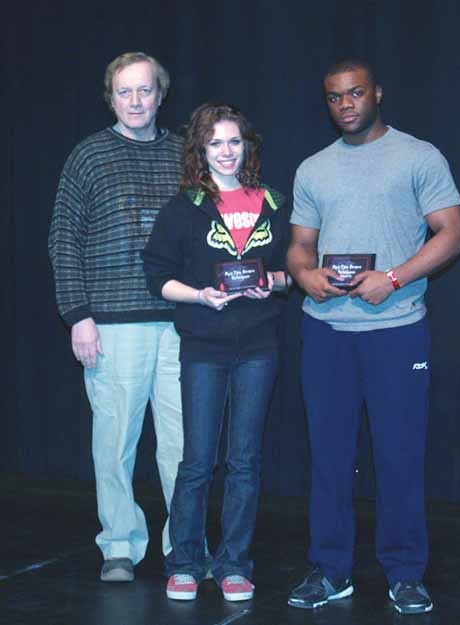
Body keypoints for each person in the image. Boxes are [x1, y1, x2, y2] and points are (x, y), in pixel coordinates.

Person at [286, 58, 460, 614]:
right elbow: (299, 245)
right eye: (335, 97)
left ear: (377, 94)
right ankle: (330, 570)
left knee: (399, 456)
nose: (346, 104)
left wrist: (394, 278)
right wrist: (304, 274)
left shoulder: (419, 156)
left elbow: (453, 233)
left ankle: (405, 572)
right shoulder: (313, 169)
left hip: (397, 334)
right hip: (328, 335)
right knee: (330, 458)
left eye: (355, 93)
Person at [142, 102, 290, 602]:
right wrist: (202, 295)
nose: (226, 152)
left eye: (234, 141)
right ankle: (185, 561)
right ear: (200, 151)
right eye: (215, 143)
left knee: (245, 461)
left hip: (258, 347)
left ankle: (233, 564)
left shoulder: (272, 200)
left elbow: (296, 270)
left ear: (246, 145)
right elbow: (158, 278)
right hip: (203, 347)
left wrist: (274, 281)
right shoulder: (183, 207)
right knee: (197, 461)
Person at [48, 52, 185, 582]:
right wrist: (78, 315)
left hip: (180, 323)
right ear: (111, 97)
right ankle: (119, 547)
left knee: (182, 444)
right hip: (110, 325)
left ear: (160, 94)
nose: (135, 101)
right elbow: (64, 239)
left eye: (144, 90)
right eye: (124, 92)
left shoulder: (183, 155)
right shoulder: (88, 156)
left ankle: (185, 546)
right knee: (115, 442)